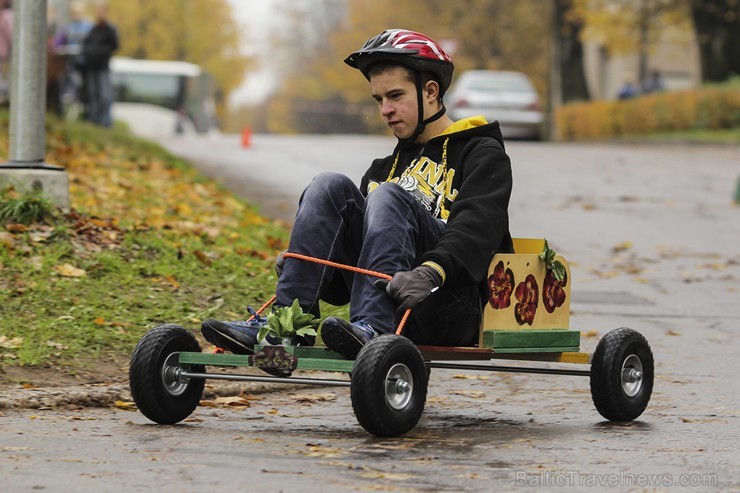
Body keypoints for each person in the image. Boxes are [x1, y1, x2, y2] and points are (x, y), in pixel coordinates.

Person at [201, 29, 513, 360]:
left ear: (431, 91)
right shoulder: (382, 170)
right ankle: (284, 333)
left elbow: (478, 227)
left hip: (446, 303)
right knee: (328, 186)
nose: (385, 110)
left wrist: (431, 271)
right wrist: (310, 264)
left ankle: (373, 329)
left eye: (395, 96)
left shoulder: (481, 152)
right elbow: (342, 289)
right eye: (379, 99)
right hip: (382, 307)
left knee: (388, 196)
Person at [81, 2, 118, 127]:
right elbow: (86, 44)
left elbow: (114, 46)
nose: (99, 13)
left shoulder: (110, 29)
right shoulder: (93, 29)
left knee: (105, 94)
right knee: (92, 93)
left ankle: (105, 120)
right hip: (91, 66)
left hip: (102, 66)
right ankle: (94, 119)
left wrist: (99, 52)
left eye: (101, 10)